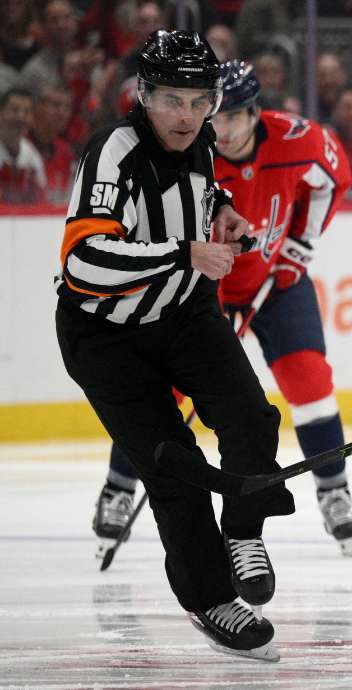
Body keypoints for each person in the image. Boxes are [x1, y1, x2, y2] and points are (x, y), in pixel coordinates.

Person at [56, 30, 293, 661]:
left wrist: (224, 213)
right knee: (172, 466)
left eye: (200, 100)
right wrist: (185, 251)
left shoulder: (201, 140)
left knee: (250, 416)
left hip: (183, 312)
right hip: (104, 337)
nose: (187, 116)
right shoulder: (113, 153)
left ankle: (243, 531)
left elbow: (199, 192)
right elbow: (82, 261)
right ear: (143, 96)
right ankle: (211, 597)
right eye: (173, 101)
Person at [98, 59, 352, 557]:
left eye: (233, 115)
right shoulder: (186, 152)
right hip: (201, 287)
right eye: (215, 114)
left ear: (255, 113)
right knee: (168, 392)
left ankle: (334, 490)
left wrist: (300, 245)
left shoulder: (298, 139)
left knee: (309, 380)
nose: (221, 126)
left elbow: (335, 177)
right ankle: (118, 485)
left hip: (277, 282)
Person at [0, 85, 44, 203]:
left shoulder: (32, 155)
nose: (21, 117)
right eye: (14, 109)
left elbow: (41, 200)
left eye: (27, 112)